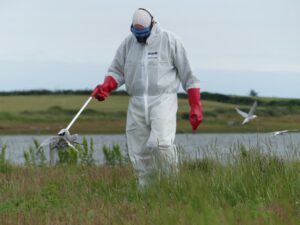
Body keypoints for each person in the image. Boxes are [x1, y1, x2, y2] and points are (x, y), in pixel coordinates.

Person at [92, 8, 203, 187]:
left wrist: (195, 106)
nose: (140, 39)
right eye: (137, 35)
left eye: (143, 34)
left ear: (152, 25)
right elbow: (116, 71)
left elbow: (189, 76)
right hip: (136, 101)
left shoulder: (170, 41)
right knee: (138, 148)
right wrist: (107, 87)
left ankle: (172, 185)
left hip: (162, 99)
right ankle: (146, 189)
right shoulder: (129, 43)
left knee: (160, 144)